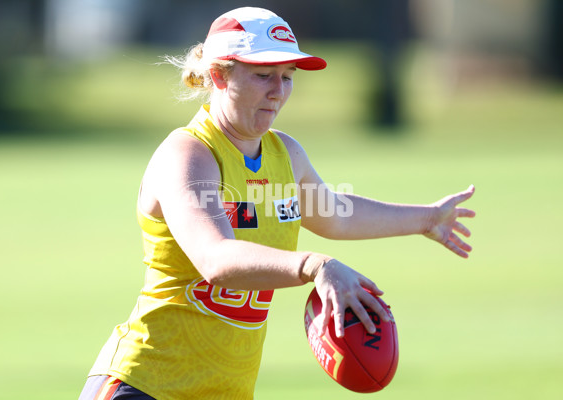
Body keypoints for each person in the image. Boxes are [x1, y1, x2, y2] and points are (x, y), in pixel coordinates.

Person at [79, 7, 475, 400]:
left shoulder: (285, 154)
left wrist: (427, 219)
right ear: (218, 75)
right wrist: (314, 265)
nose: (278, 91)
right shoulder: (188, 154)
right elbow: (217, 260)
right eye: (264, 75)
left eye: (287, 77)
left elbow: (336, 214)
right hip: (144, 385)